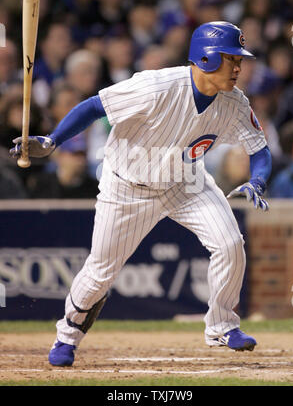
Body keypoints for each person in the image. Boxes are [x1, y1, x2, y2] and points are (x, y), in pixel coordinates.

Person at [10, 21, 272, 366]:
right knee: (101, 271)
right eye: (231, 59)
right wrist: (52, 140)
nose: (239, 67)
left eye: (239, 60)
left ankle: (222, 325)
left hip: (186, 182)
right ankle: (67, 337)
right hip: (128, 187)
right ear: (206, 58)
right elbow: (93, 106)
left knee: (230, 244)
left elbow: (260, 149)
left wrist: (257, 181)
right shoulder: (156, 85)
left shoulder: (235, 102)